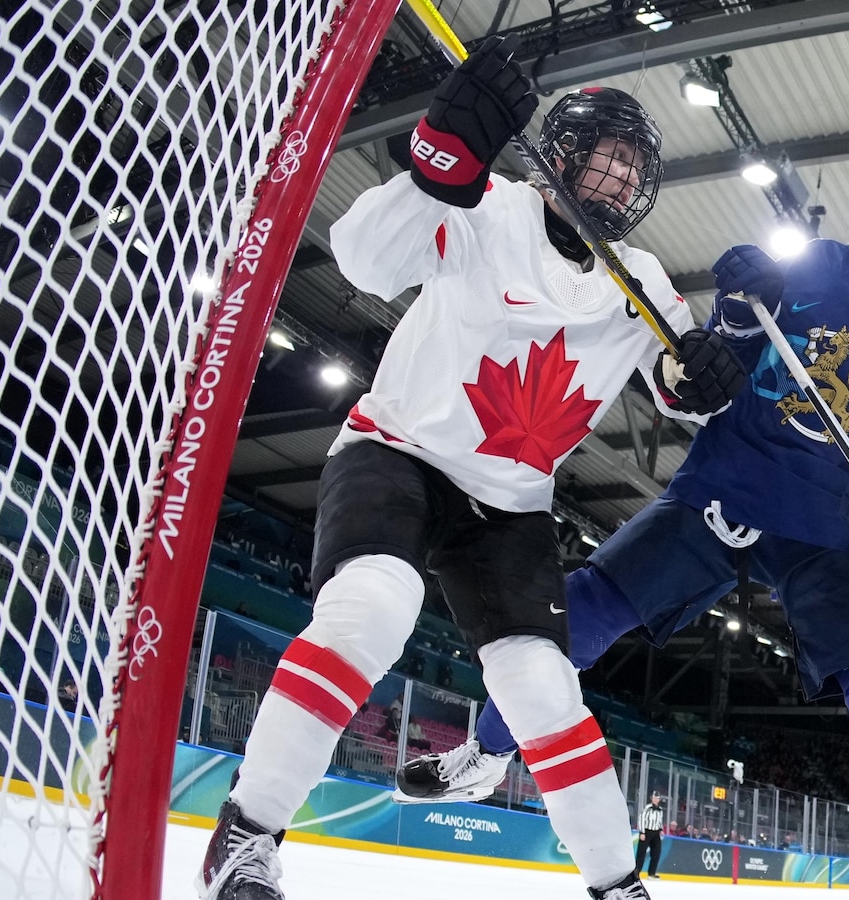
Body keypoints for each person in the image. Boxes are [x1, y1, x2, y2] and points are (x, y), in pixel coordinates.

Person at [196, 34, 744, 900]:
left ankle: (618, 886)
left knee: (544, 692)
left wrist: (706, 374)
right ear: (558, 157)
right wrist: (433, 166)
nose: (619, 184)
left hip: (511, 507)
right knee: (373, 609)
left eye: (633, 172)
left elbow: (677, 376)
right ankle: (247, 833)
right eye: (605, 163)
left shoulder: (638, 275)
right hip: (399, 452)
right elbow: (365, 260)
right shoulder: (488, 205)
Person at [399, 153, 849, 900]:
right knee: (575, 619)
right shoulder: (812, 264)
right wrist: (740, 311)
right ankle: (488, 755)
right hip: (730, 485)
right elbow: (718, 367)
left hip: (838, 528)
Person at [635, 792, 666, 878]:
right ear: (651, 798)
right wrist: (642, 832)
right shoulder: (647, 808)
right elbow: (641, 819)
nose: (656, 799)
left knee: (656, 852)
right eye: (654, 798)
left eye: (657, 798)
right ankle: (636, 872)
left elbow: (660, 821)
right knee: (641, 853)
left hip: (656, 833)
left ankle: (651, 873)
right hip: (647, 831)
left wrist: (661, 830)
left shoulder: (660, 809)